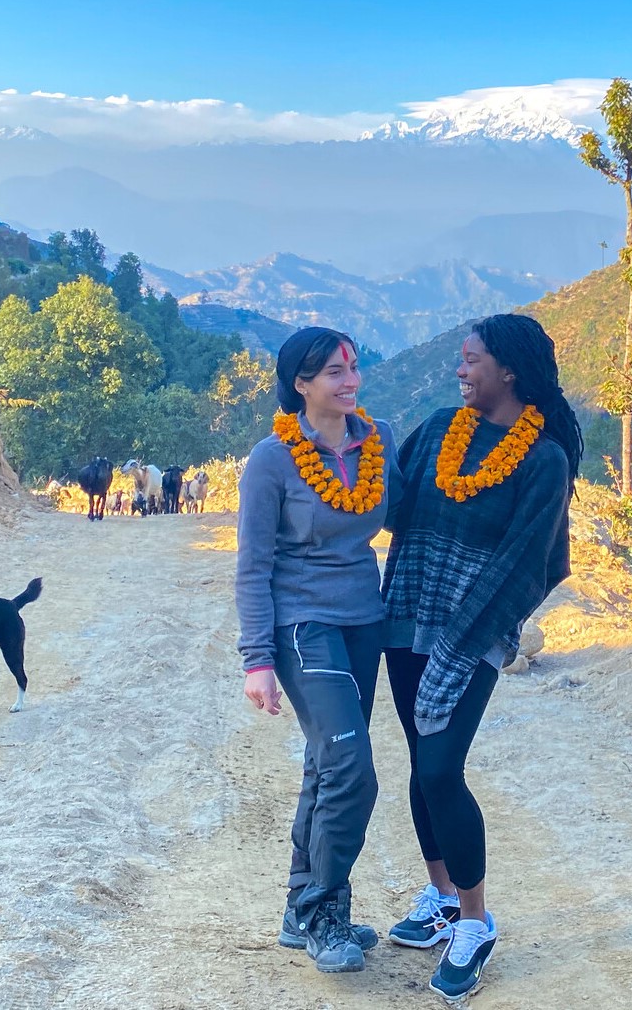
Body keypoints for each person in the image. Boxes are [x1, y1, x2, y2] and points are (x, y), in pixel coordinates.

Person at [381, 313, 583, 1001]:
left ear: (511, 370)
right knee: (418, 762)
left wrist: (463, 642)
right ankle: (441, 898)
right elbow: (393, 500)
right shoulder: (440, 427)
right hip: (408, 613)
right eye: (461, 360)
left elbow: (531, 561)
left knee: (441, 771)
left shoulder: (543, 460)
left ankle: (474, 921)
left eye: (471, 361)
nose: (460, 371)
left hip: (473, 633)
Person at [236, 326, 402, 974]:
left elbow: (404, 513)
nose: (349, 380)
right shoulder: (272, 459)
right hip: (301, 624)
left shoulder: (377, 439)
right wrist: (256, 660)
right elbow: (252, 565)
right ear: (301, 384)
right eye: (334, 372)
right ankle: (324, 914)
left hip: (366, 620)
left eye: (353, 367)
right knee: (353, 770)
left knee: (325, 765)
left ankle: (296, 907)